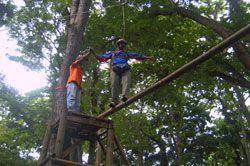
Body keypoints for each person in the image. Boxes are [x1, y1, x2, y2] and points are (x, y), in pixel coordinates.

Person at [92, 39, 153, 107]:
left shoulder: (126, 53)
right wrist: (94, 53)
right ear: (118, 44)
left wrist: (147, 57)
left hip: (125, 68)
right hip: (115, 68)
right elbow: (102, 57)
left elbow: (137, 55)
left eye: (123, 44)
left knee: (126, 82)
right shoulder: (112, 53)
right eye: (121, 43)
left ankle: (125, 96)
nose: (122, 45)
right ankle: (115, 101)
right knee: (114, 84)